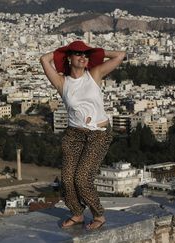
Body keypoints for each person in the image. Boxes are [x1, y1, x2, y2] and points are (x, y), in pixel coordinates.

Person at [40, 40, 125, 230]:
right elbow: (44, 60)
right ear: (69, 58)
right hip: (74, 134)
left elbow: (120, 55)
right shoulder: (62, 82)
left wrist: (97, 51)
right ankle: (77, 213)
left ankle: (98, 215)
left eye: (86, 55)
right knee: (68, 178)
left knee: (82, 177)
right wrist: (61, 51)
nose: (83, 57)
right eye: (78, 54)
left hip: (99, 134)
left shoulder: (94, 75)